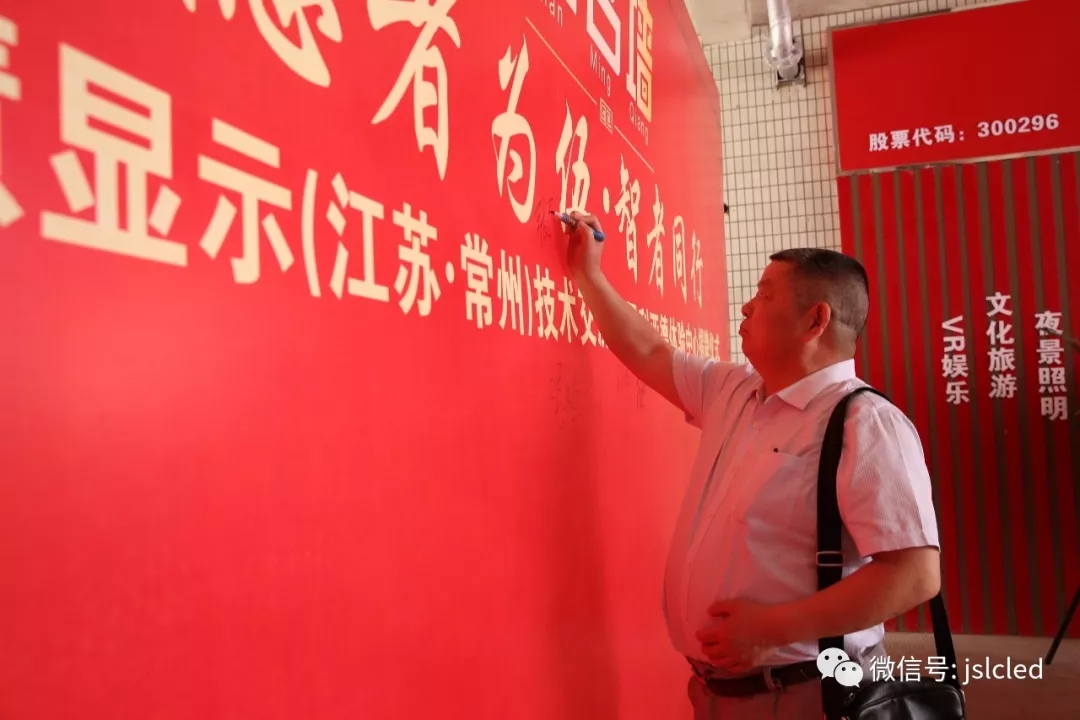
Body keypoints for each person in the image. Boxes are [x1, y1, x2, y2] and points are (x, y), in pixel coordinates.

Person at [564, 211, 942, 719]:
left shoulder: (865, 423)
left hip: (808, 693)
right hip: (716, 690)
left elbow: (914, 574)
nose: (747, 305)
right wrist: (589, 275)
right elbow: (650, 350)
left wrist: (773, 629)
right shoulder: (735, 390)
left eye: (764, 295)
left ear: (815, 320)